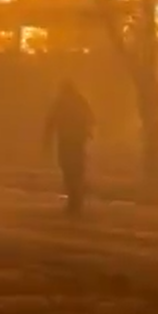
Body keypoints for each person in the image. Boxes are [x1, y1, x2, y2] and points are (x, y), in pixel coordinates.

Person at [44, 78, 95, 215]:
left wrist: (47, 140)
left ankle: (74, 201)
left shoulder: (61, 102)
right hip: (77, 142)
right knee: (76, 171)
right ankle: (76, 201)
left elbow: (51, 122)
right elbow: (91, 118)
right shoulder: (79, 101)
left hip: (67, 142)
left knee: (69, 171)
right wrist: (87, 132)